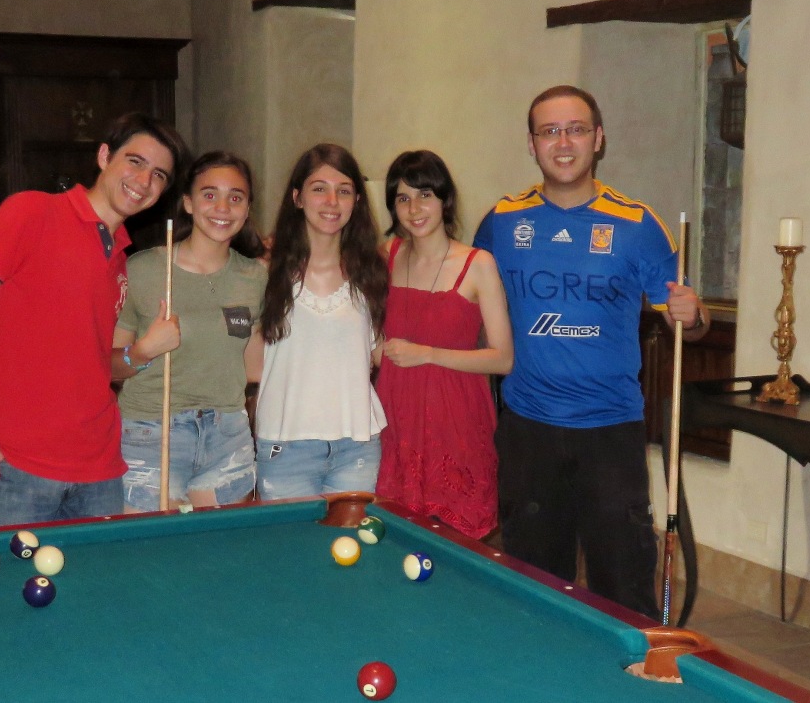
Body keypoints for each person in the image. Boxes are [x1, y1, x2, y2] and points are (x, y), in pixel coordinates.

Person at [473, 85, 710, 619]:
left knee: (623, 589)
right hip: (528, 429)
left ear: (598, 139)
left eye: (576, 129)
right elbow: (464, 306)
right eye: (549, 131)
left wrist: (693, 315)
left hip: (611, 433)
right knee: (533, 591)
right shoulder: (500, 223)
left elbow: (689, 326)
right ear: (531, 144)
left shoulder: (639, 225)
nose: (563, 142)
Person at [0, 112, 187, 527]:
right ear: (104, 156)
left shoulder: (120, 258)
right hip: (17, 467)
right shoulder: (32, 212)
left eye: (159, 175)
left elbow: (94, 364)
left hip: (101, 470)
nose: (144, 181)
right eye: (136, 161)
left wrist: (142, 352)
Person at [116, 151, 267, 512]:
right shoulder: (143, 269)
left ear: (247, 208)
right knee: (156, 547)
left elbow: (254, 368)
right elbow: (108, 367)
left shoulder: (255, 276)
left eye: (235, 197)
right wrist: (145, 349)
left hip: (228, 435)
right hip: (152, 432)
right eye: (209, 194)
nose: (222, 208)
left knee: (221, 547)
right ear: (188, 202)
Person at [375, 150, 512, 540]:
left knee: (458, 542)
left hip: (456, 422)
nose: (414, 208)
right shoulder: (387, 256)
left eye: (425, 195)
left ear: (444, 199)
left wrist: (428, 354)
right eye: (403, 198)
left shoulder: (478, 263)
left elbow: (503, 359)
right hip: (397, 418)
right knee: (395, 538)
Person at [255, 144, 388, 500]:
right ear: (297, 197)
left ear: (357, 200)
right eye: (319, 188)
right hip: (285, 448)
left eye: (344, 191)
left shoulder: (373, 272)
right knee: (289, 540)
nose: (332, 201)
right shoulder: (263, 272)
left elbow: (381, 354)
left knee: (351, 538)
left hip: (357, 447)